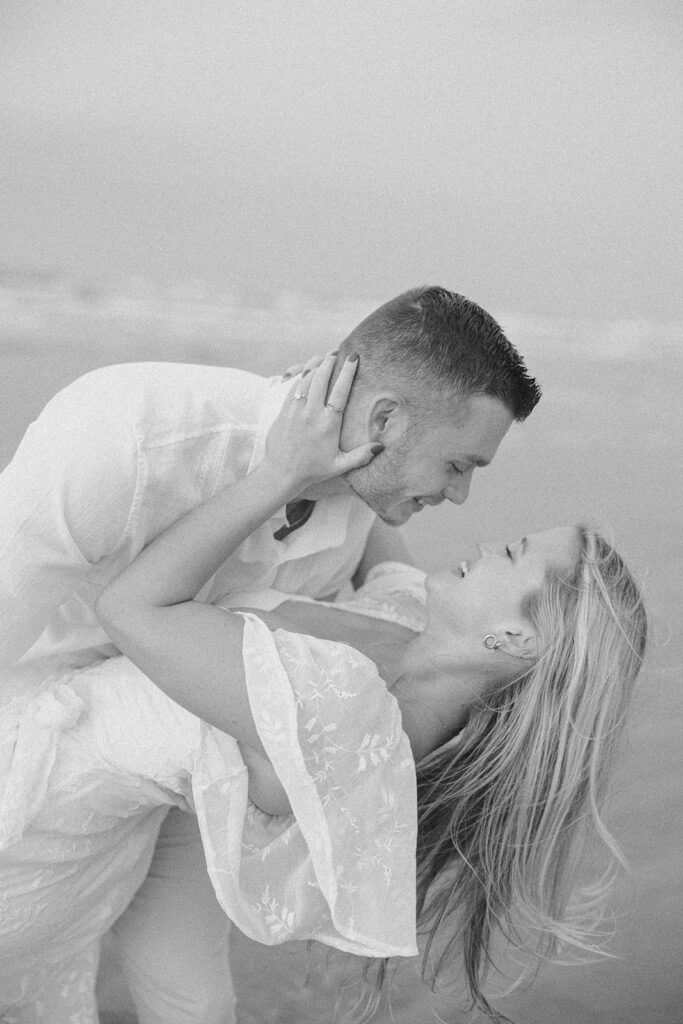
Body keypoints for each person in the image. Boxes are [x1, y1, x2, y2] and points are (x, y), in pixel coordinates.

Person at [0, 357, 647, 1022]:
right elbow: (378, 513)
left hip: (29, 836)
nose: (483, 543)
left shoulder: (346, 711)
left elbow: (132, 607)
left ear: (514, 642)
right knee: (191, 999)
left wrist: (279, 475)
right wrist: (353, 423)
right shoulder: (406, 624)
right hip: (107, 831)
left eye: (510, 555)